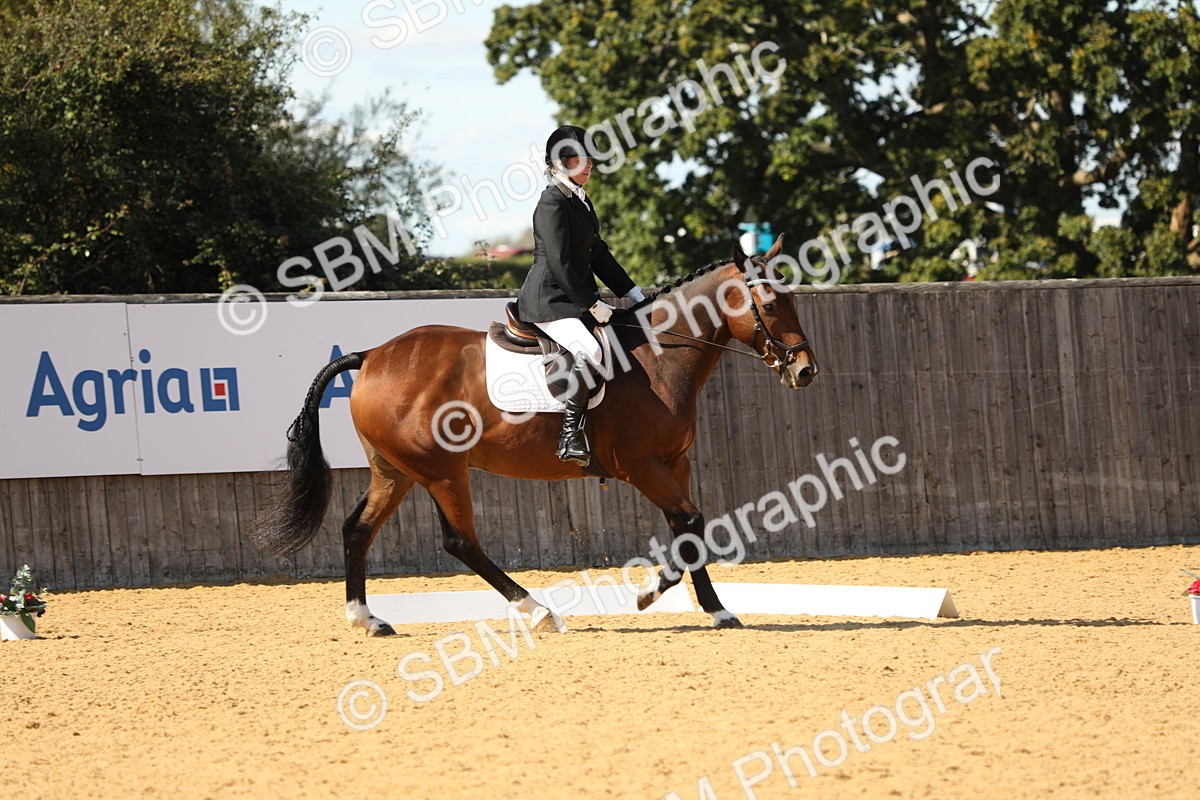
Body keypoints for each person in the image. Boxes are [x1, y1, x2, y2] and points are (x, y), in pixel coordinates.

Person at [515, 125, 645, 466]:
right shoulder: (552, 202)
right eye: (582, 158)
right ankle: (569, 435)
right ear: (561, 161)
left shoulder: (580, 201)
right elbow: (559, 262)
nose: (589, 165)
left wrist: (633, 293)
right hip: (548, 302)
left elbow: (598, 254)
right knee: (590, 349)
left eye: (590, 159)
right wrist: (591, 303)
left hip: (571, 300)